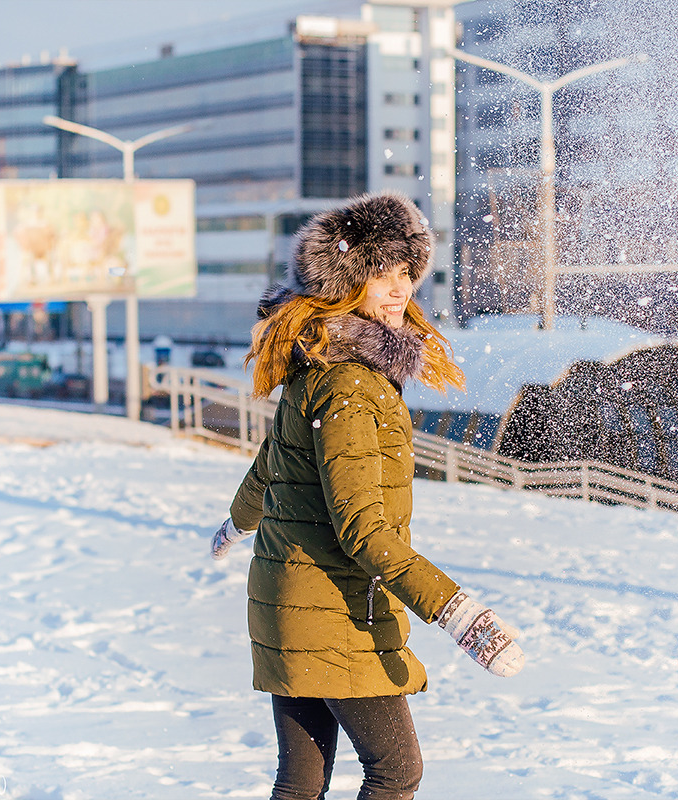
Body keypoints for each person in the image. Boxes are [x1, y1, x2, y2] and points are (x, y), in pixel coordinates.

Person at [211, 191, 525, 800]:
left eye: (408, 273)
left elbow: (270, 464)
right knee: (396, 772)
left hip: (288, 599)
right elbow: (363, 530)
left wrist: (237, 524)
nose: (399, 288)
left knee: (301, 782)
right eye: (381, 272)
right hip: (333, 609)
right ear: (347, 281)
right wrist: (460, 616)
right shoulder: (352, 383)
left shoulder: (318, 364)